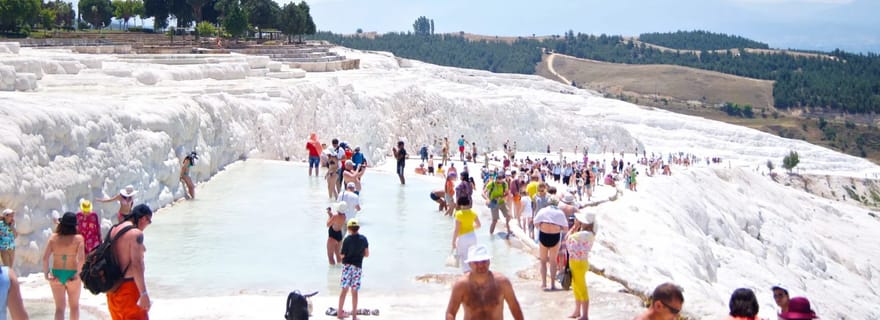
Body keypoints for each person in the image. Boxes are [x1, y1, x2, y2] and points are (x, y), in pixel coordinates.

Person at [445, 245, 524, 320]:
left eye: (483, 261)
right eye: (476, 262)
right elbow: (451, 312)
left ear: (489, 262)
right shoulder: (461, 285)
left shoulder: (502, 282)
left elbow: (514, 308)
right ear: (469, 264)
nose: (480, 265)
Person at [107, 204, 153, 320]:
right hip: (129, 289)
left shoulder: (114, 229)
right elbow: (137, 265)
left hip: (112, 289)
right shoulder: (135, 234)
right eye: (149, 221)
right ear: (144, 219)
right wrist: (143, 294)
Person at [41, 212, 86, 320]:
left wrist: (46, 274)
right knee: (74, 306)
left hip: (57, 273)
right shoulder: (78, 239)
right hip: (72, 273)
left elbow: (45, 258)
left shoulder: (53, 238)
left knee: (59, 308)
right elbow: (81, 259)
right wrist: (78, 275)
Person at [338, 219, 369, 320]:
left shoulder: (347, 240)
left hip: (347, 267)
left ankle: (339, 313)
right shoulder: (364, 239)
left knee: (344, 290)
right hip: (357, 267)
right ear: (358, 228)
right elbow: (367, 254)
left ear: (349, 229)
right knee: (354, 291)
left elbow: (342, 255)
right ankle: (354, 316)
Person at [532, 202, 567, 291]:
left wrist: (543, 226)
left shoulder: (543, 211)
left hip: (544, 235)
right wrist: (558, 228)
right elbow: (565, 228)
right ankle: (552, 284)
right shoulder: (560, 213)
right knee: (553, 261)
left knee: (543, 261)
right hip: (555, 236)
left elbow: (535, 223)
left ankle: (544, 283)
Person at [567, 212, 595, 320]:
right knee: (576, 287)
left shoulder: (584, 234)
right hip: (579, 262)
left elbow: (568, 239)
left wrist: (575, 226)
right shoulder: (588, 234)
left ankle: (585, 315)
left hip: (578, 263)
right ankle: (577, 311)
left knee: (581, 288)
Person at [452, 197, 481, 272]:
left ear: (460, 204)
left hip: (463, 237)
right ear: (469, 203)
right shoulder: (473, 213)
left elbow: (456, 229)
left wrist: (453, 241)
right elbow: (479, 225)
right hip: (472, 236)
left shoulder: (458, 214)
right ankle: (474, 272)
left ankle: (467, 275)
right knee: (472, 255)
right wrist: (471, 227)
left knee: (463, 257)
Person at [483, 172, 511, 237]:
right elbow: (483, 193)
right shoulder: (492, 184)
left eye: (500, 181)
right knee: (495, 221)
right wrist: (487, 199)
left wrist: (501, 197)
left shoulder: (505, 184)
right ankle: (490, 235)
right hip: (493, 203)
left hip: (502, 202)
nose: (499, 182)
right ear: (496, 179)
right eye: (497, 181)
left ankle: (507, 227)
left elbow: (507, 193)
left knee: (509, 216)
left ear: (503, 179)